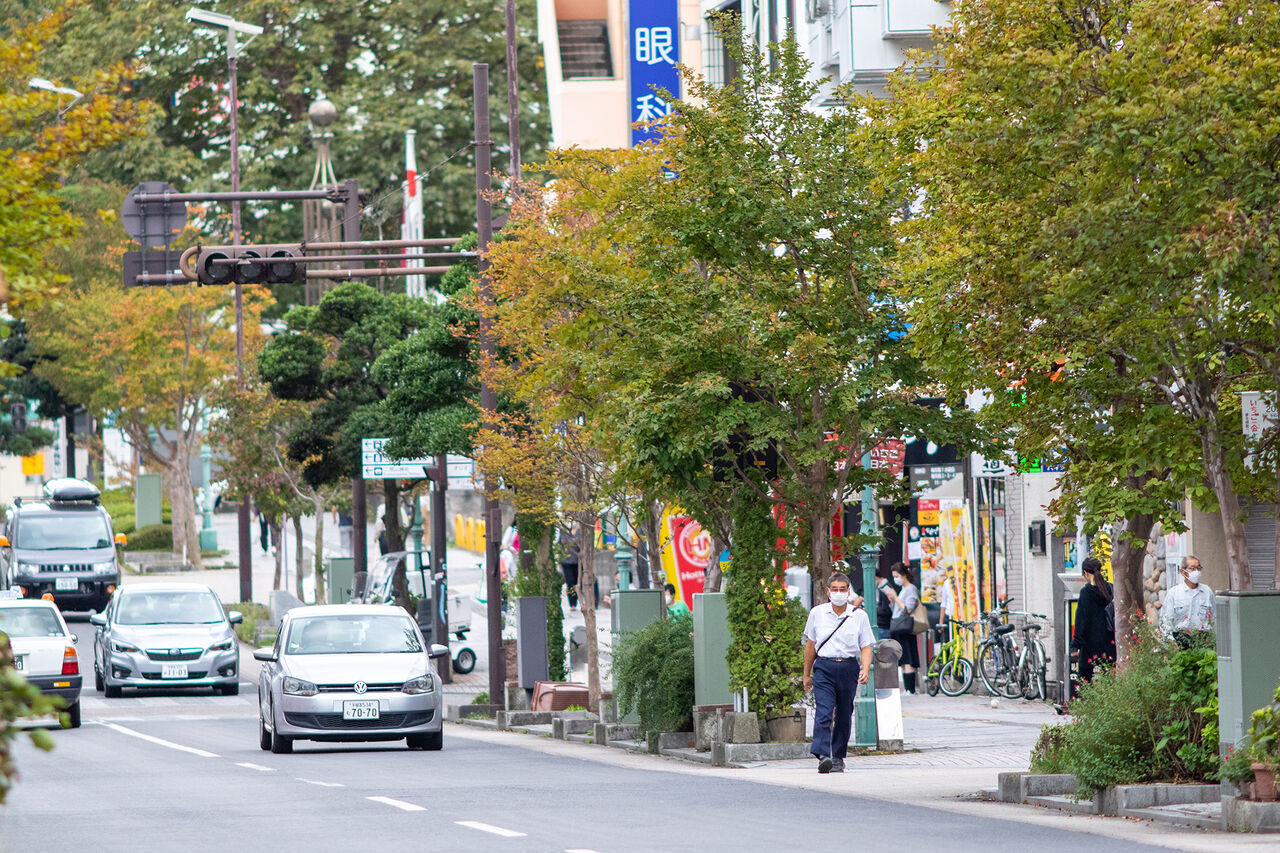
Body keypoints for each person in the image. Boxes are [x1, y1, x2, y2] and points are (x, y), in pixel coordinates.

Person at [803, 572, 874, 774]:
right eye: (834, 589)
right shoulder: (817, 613)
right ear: (828, 591)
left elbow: (866, 646)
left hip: (848, 667)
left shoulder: (858, 616)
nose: (838, 593)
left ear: (848, 591)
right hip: (824, 667)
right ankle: (822, 754)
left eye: (842, 589)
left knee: (844, 713)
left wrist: (865, 668)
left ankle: (838, 757)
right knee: (824, 711)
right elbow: (811, 646)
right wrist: (806, 674)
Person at [1070, 555, 1116, 689]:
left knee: (1085, 680)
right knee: (1109, 680)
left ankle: (1087, 707)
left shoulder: (1086, 592)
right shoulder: (1111, 589)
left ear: (1085, 572)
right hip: (1109, 642)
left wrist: (1075, 645)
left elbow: (1081, 621)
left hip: (1090, 644)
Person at [879, 562, 921, 693]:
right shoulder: (903, 590)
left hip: (905, 628)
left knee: (908, 659)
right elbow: (896, 609)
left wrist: (895, 598)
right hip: (898, 627)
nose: (895, 579)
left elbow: (907, 609)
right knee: (903, 660)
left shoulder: (911, 589)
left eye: (897, 576)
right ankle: (908, 689)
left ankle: (911, 689)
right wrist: (892, 600)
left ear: (904, 575)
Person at [1160, 555, 1216, 648]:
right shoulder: (1174, 593)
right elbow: (1166, 621)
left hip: (1203, 640)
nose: (1196, 572)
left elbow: (1214, 617)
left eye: (1198, 568)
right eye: (1192, 568)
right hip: (1181, 641)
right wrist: (1170, 644)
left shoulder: (1207, 592)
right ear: (1182, 571)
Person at [873, 566, 898, 640]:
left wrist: (874, 610)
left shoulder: (885, 588)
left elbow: (886, 609)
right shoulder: (882, 587)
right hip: (883, 625)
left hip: (883, 626)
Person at [560, 525, 580, 609]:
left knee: (577, 582)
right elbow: (560, 545)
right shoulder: (563, 532)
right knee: (570, 582)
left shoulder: (579, 531)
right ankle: (572, 603)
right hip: (566, 561)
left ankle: (578, 599)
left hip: (578, 561)